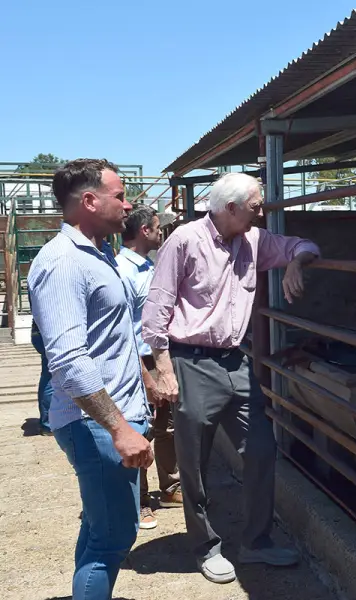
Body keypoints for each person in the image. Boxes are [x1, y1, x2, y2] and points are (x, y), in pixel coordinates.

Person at [142, 172, 320, 584]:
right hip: (190, 360)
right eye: (257, 205)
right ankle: (206, 545)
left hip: (235, 362)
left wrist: (295, 262)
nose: (263, 211)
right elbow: (157, 308)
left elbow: (305, 244)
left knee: (260, 448)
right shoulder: (185, 240)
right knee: (195, 460)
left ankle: (255, 542)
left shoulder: (256, 240)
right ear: (232, 208)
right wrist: (164, 369)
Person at [27, 158, 154, 600]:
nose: (128, 204)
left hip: (108, 415)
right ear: (88, 200)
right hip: (95, 423)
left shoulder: (98, 254)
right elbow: (67, 359)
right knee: (112, 539)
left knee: (101, 528)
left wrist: (144, 380)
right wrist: (119, 428)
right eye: (120, 196)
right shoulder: (63, 263)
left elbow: (111, 337)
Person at [115, 204, 183, 531]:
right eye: (157, 228)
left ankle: (170, 488)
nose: (160, 232)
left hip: (158, 356)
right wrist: (146, 377)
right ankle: (140, 501)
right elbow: (123, 331)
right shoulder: (122, 272)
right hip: (138, 361)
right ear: (144, 231)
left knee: (166, 425)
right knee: (140, 428)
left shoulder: (148, 266)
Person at [29, 312, 54, 436]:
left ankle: (47, 422)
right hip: (47, 333)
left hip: (39, 332)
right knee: (50, 378)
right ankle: (48, 424)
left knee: (48, 377)